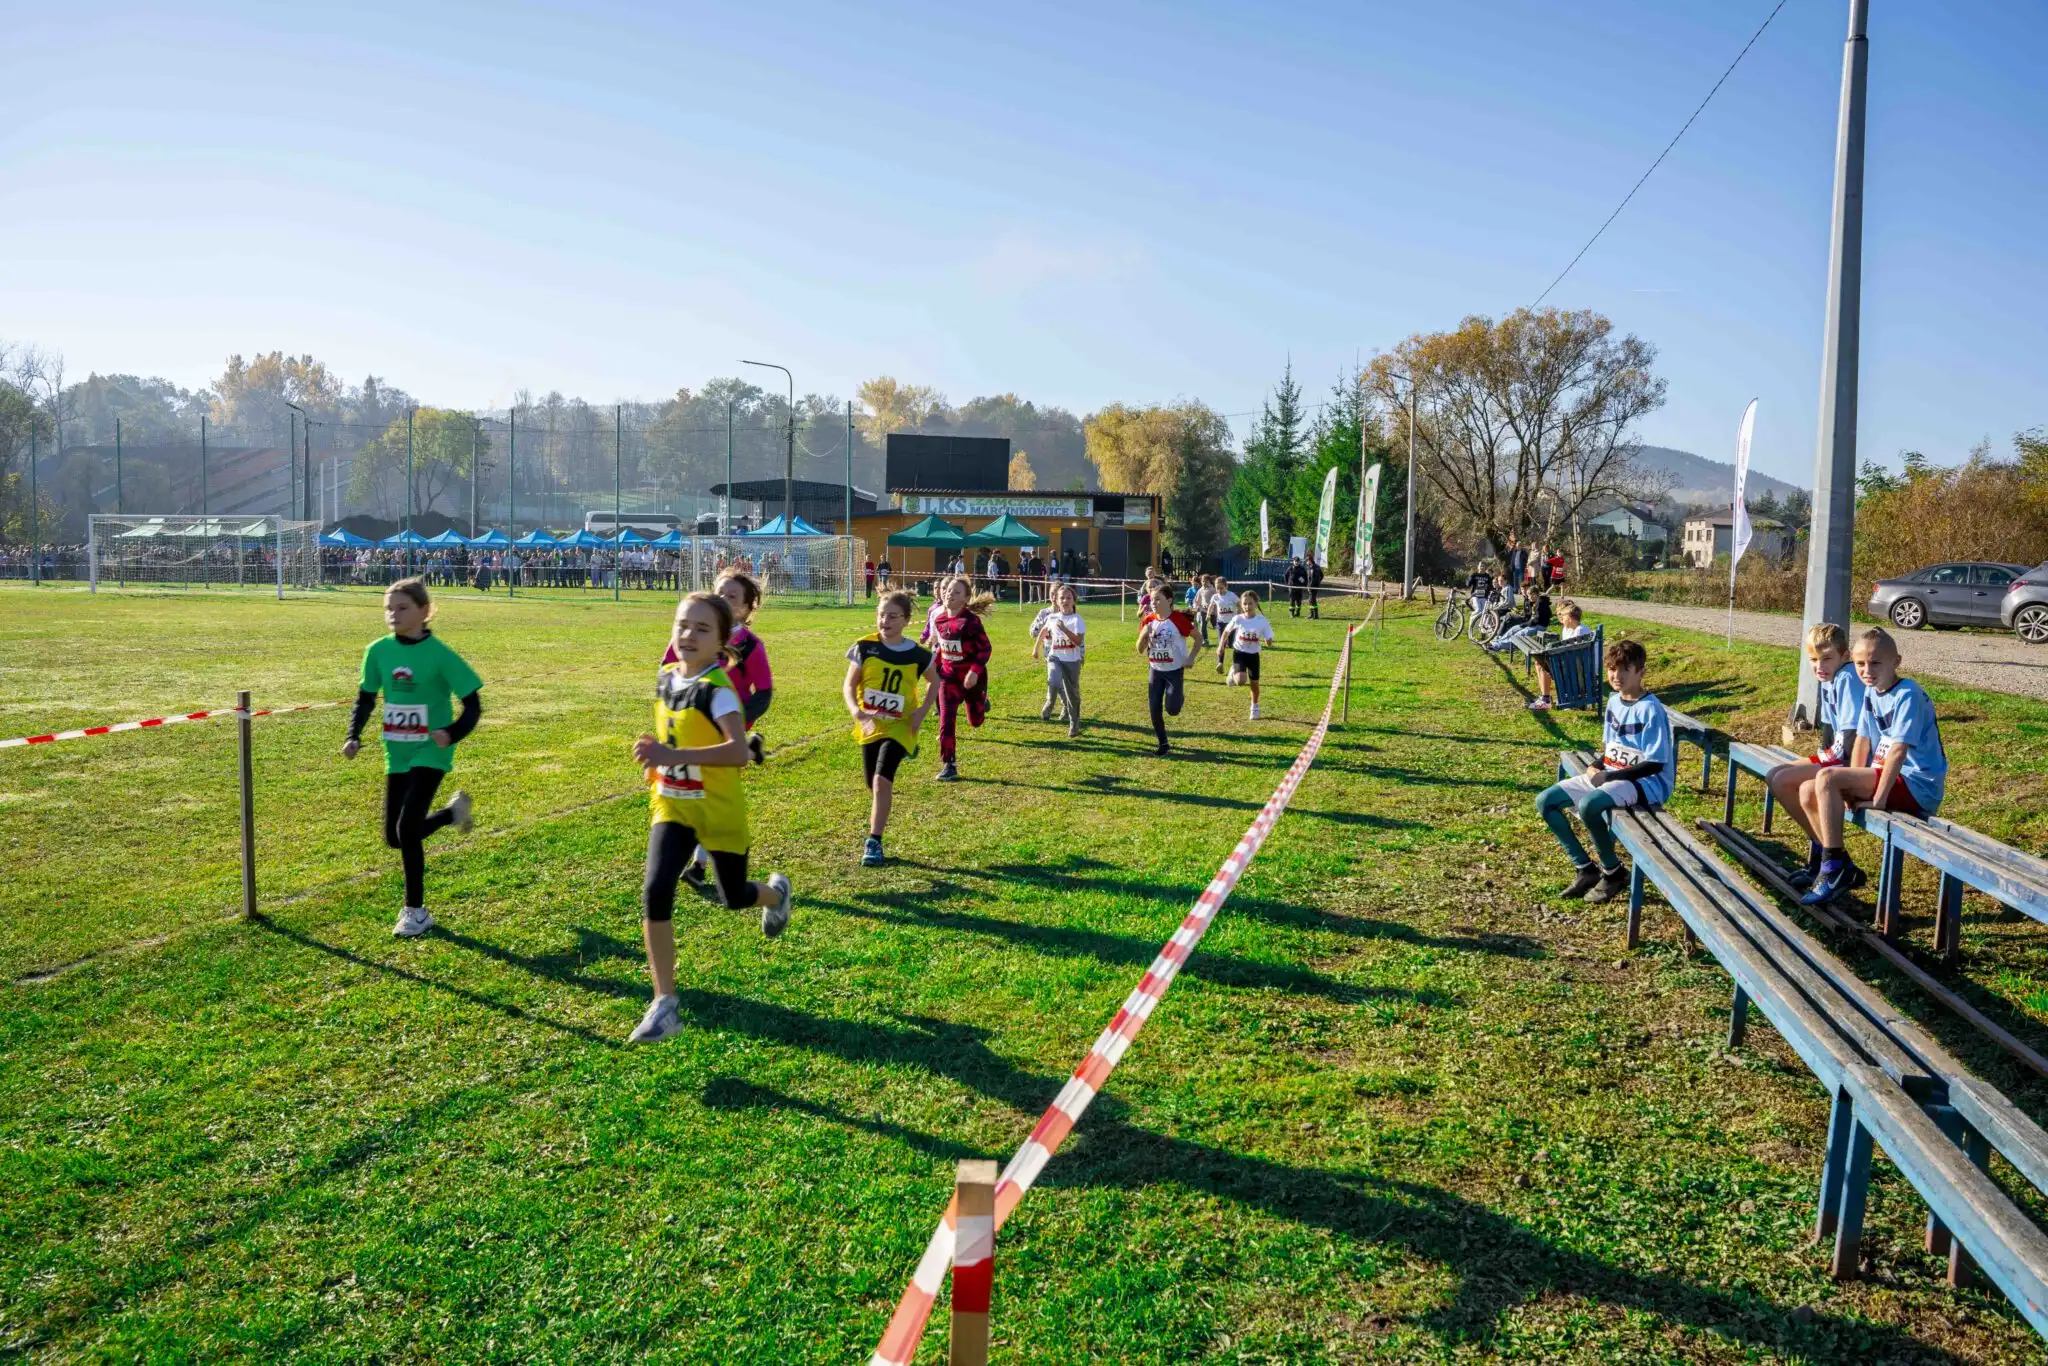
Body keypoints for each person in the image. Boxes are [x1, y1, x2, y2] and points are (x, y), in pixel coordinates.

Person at [627, 592, 794, 1045]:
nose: (687, 635)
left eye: (702, 629)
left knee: (734, 895)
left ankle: (774, 895)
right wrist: (656, 760)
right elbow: (670, 732)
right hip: (673, 805)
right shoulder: (666, 678)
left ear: (722, 642)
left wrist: (670, 753)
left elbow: (739, 751)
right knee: (656, 890)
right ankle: (665, 1003)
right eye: (682, 624)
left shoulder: (718, 690)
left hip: (718, 810)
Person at [341, 578, 482, 938]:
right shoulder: (377, 651)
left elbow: (473, 704)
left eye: (402, 608)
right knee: (395, 836)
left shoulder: (440, 655)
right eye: (388, 608)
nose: (393, 614)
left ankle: (416, 912)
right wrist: (353, 735)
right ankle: (452, 814)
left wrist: (451, 733)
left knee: (407, 828)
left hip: (431, 750)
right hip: (396, 751)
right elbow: (367, 697)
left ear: (424, 610)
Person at [1797, 628, 1947, 907]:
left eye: (1875, 663)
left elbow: (1899, 751)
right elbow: (1863, 741)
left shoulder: (1908, 694)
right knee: (1808, 790)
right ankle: (1834, 863)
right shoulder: (1871, 692)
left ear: (1896, 662)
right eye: (1860, 664)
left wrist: (1877, 800)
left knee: (1826, 777)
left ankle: (1834, 867)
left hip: (1917, 783)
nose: (1867, 670)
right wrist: (1850, 782)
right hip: (1889, 778)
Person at [1533, 639, 1674, 905]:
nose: (1616, 676)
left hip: (1645, 781)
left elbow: (1656, 763)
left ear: (1640, 672)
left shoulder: (1651, 708)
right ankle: (1585, 869)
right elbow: (1612, 748)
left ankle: (1613, 872)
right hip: (1614, 773)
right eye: (1612, 669)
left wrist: (1608, 776)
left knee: (1589, 805)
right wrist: (1598, 764)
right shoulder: (1613, 701)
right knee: (1546, 801)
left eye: (1625, 670)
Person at [1765, 623, 1869, 887]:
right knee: (1775, 773)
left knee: (1782, 780)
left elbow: (1849, 741)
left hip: (1855, 761)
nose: (1819, 666)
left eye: (1826, 659)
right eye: (1813, 659)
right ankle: (1828, 857)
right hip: (1837, 755)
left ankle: (1833, 860)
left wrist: (1822, 761)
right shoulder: (1829, 680)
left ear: (1844, 656)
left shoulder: (1846, 678)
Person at [845, 590, 941, 866]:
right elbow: (849, 685)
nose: (884, 620)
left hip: (901, 725)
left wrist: (921, 713)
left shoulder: (917, 654)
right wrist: (858, 713)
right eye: (881, 614)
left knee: (880, 780)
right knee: (871, 784)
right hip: (871, 723)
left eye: (892, 616)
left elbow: (935, 682)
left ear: (907, 620)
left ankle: (874, 841)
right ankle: (878, 819)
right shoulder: (864, 647)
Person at [929, 575, 995, 781]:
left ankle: (981, 702)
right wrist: (933, 667)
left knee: (975, 722)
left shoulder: (971, 622)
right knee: (946, 720)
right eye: (948, 589)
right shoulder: (939, 619)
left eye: (956, 592)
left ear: (966, 598)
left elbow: (985, 648)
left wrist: (974, 671)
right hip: (948, 678)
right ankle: (949, 764)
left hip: (972, 678)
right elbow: (943, 648)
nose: (950, 593)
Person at [1137, 585, 1197, 755]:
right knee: (1154, 708)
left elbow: (1198, 638)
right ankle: (1163, 744)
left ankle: (1178, 696)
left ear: (1169, 601)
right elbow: (1139, 649)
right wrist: (1144, 635)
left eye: (1157, 599)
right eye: (1152, 599)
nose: (1153, 603)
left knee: (1172, 709)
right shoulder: (1148, 620)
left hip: (1174, 670)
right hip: (1155, 669)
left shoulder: (1178, 619)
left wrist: (1191, 657)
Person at [1034, 581, 1087, 738]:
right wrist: (1035, 648)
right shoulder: (1052, 617)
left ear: (1073, 600)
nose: (1065, 600)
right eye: (1062, 598)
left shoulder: (1077, 620)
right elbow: (1043, 631)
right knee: (1054, 681)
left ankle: (1074, 723)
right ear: (1056, 601)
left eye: (1068, 597)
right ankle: (1050, 705)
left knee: (1072, 695)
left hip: (1072, 661)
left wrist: (1064, 629)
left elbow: (1078, 641)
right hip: (1055, 657)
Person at [1219, 588, 1274, 719]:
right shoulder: (1238, 619)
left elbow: (1269, 640)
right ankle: (1234, 672)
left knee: (1254, 683)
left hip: (1254, 655)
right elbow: (1226, 632)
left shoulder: (1262, 620)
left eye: (1250, 603)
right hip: (1240, 652)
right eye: (1244, 603)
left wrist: (1268, 640)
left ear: (1255, 603)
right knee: (1241, 681)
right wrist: (1221, 646)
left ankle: (1254, 707)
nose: (1247, 606)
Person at [1529, 601, 1589, 710]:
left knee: (1542, 664)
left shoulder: (1580, 630)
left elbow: (1574, 654)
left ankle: (1546, 699)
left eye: (1563, 616)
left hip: (1579, 671)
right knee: (1539, 661)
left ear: (1570, 618)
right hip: (1573, 666)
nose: (1560, 618)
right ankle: (1545, 697)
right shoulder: (1570, 629)